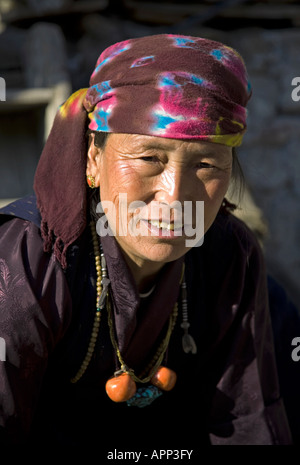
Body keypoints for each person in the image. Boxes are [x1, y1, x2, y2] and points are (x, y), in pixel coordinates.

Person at [0, 34, 298, 449]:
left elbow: (249, 421)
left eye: (207, 163)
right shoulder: (23, 265)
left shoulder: (232, 258)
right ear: (92, 160)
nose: (175, 197)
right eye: (148, 158)